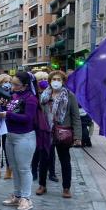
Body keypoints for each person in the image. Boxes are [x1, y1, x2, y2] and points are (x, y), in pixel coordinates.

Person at [36, 70, 82, 199]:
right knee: (44, 159)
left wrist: (78, 136)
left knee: (65, 161)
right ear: (50, 81)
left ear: (63, 81)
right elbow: (39, 113)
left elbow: (76, 116)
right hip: (46, 131)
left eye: (59, 79)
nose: (56, 81)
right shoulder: (44, 95)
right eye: (54, 79)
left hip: (63, 132)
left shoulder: (70, 95)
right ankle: (42, 185)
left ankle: (66, 188)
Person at [0, 71, 38, 210]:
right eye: (12, 83)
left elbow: (28, 118)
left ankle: (26, 198)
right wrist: (3, 107)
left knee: (24, 168)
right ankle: (17, 194)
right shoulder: (14, 96)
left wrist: (8, 114)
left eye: (16, 84)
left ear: (25, 85)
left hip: (24, 136)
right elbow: (9, 113)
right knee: (14, 168)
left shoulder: (31, 98)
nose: (12, 86)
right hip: (11, 136)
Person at [31, 71, 56, 182]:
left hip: (50, 125)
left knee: (51, 150)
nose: (43, 82)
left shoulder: (53, 93)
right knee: (37, 150)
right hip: (38, 125)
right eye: (40, 80)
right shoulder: (34, 94)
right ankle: (34, 171)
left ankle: (52, 172)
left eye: (45, 79)